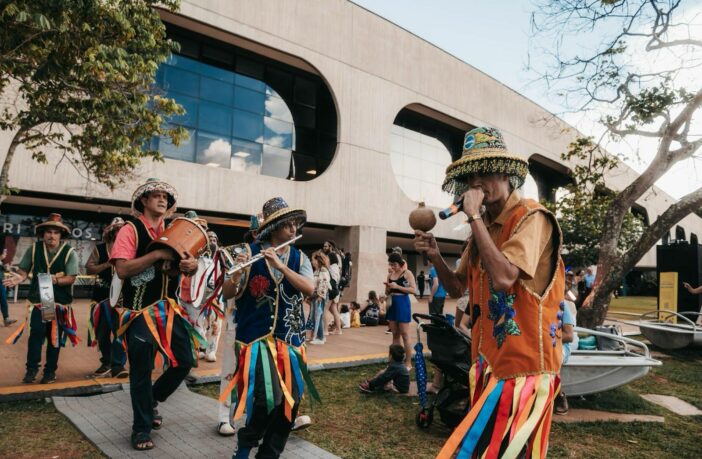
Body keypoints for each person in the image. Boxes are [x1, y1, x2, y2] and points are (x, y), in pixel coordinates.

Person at [415, 127, 565, 458]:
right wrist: (435, 255)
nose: (479, 182)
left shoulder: (533, 218)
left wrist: (473, 217)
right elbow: (456, 287)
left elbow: (504, 277)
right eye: (471, 176)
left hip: (524, 370)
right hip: (489, 364)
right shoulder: (479, 231)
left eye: (488, 171)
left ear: (508, 174)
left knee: (507, 450)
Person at [221, 197, 318, 459]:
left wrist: (281, 266)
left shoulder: (299, 256)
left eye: (296, 224)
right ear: (274, 228)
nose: (294, 229)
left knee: (290, 403)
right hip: (257, 342)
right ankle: (243, 449)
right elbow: (227, 292)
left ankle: (269, 454)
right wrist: (236, 275)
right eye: (288, 225)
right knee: (265, 401)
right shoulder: (248, 252)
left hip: (291, 340)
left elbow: (310, 288)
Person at [110, 178, 201, 451]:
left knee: (185, 361)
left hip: (167, 310)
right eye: (156, 196)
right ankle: (141, 429)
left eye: (165, 197)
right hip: (137, 313)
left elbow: (185, 266)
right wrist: (157, 253)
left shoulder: (175, 230)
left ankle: (152, 399)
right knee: (141, 372)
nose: (162, 200)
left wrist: (191, 265)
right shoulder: (130, 230)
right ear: (144, 201)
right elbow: (122, 270)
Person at [4, 213, 79, 384]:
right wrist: (18, 278)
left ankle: (50, 372)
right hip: (39, 299)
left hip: (58, 301)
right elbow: (23, 271)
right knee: (36, 334)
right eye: (48, 232)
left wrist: (56, 280)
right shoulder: (35, 249)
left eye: (56, 232)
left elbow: (71, 278)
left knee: (54, 337)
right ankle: (31, 370)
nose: (51, 235)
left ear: (61, 235)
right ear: (43, 233)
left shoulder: (69, 253)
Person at [86, 217, 128, 378]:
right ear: (111, 231)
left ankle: (118, 365)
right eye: (118, 229)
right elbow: (89, 268)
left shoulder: (130, 249)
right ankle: (106, 361)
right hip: (101, 298)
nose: (121, 232)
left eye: (123, 229)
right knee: (102, 333)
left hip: (122, 300)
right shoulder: (101, 248)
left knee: (120, 332)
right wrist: (108, 264)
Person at [385, 252, 416, 369]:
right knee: (395, 335)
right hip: (393, 303)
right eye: (391, 265)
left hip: (403, 303)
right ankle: (394, 361)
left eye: (394, 265)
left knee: (405, 334)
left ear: (400, 263)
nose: (392, 267)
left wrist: (397, 287)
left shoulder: (407, 273)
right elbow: (386, 292)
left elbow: (413, 290)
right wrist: (388, 289)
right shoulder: (389, 275)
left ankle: (408, 362)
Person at [555, 299, 578, 415]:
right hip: (537, 345)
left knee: (550, 357)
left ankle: (560, 395)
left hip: (559, 345)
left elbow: (569, 336)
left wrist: (544, 340)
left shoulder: (562, 304)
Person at [306, 250, 331, 345]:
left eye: (313, 260)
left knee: (318, 316)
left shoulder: (323, 271)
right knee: (316, 317)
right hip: (316, 296)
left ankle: (320, 338)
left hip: (319, 296)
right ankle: (317, 336)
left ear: (318, 260)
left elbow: (324, 283)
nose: (312, 262)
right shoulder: (317, 271)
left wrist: (320, 296)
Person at [322, 240, 342, 335]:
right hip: (335, 288)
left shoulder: (331, 258)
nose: (324, 248)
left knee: (324, 309)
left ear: (330, 247)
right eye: (324, 246)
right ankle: (339, 330)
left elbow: (332, 278)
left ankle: (325, 330)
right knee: (334, 310)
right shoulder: (335, 260)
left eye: (326, 246)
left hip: (332, 288)